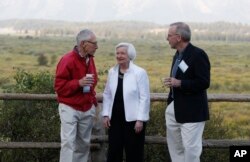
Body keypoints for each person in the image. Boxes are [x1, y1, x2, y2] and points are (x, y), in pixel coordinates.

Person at [163, 22, 210, 162]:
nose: (167, 38)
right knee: (175, 148)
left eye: (169, 35)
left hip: (193, 112)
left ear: (178, 37)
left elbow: (204, 82)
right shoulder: (177, 55)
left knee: (191, 150)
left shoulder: (198, 54)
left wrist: (180, 83)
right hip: (174, 109)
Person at [54, 29, 98, 162]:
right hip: (69, 108)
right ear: (84, 43)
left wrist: (91, 98)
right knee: (68, 143)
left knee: (83, 144)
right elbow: (59, 87)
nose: (97, 46)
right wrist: (78, 83)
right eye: (94, 43)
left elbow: (94, 79)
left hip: (86, 107)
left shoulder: (90, 59)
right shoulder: (67, 60)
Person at [102, 42, 150, 162]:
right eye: (117, 53)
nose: (119, 56)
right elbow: (107, 94)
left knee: (134, 153)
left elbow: (144, 97)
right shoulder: (112, 72)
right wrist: (106, 114)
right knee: (114, 151)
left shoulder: (139, 72)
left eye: (122, 53)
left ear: (130, 55)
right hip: (115, 119)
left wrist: (140, 119)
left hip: (134, 121)